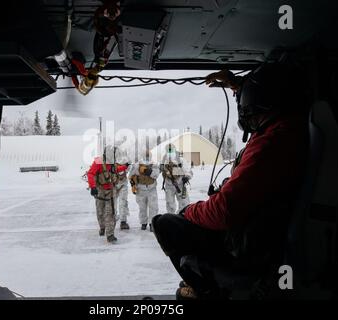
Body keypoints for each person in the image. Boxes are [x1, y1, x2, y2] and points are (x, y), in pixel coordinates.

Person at [152, 63, 309, 299]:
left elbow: (224, 211)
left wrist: (189, 212)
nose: (245, 115)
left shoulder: (271, 143)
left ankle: (207, 291)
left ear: (262, 106)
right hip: (258, 230)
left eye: (249, 109)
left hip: (250, 242)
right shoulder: (286, 129)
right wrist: (239, 87)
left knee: (165, 224)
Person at [87, 145, 127, 243]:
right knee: (100, 211)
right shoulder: (98, 161)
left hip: (111, 190)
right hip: (100, 190)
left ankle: (110, 234)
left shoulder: (113, 163)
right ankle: (102, 227)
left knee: (111, 212)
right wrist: (92, 187)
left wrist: (125, 167)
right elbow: (90, 174)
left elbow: (115, 170)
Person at [129, 149, 160, 232]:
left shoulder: (154, 164)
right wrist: (133, 185)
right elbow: (131, 175)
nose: (147, 157)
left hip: (151, 189)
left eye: (148, 156)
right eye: (145, 156)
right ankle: (143, 223)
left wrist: (147, 171)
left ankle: (152, 224)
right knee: (142, 207)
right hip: (141, 189)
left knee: (153, 207)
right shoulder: (137, 165)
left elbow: (156, 175)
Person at [160, 144, 193, 214]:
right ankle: (171, 219)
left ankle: (182, 218)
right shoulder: (163, 160)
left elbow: (189, 171)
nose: (170, 151)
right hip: (168, 186)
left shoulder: (181, 160)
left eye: (171, 149)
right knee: (170, 204)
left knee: (184, 203)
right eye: (168, 150)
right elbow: (158, 170)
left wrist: (187, 177)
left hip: (180, 185)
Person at [115, 148, 131, 230]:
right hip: (113, 185)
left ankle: (123, 221)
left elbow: (128, 168)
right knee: (112, 203)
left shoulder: (126, 159)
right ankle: (112, 220)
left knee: (123, 203)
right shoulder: (111, 160)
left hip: (123, 184)